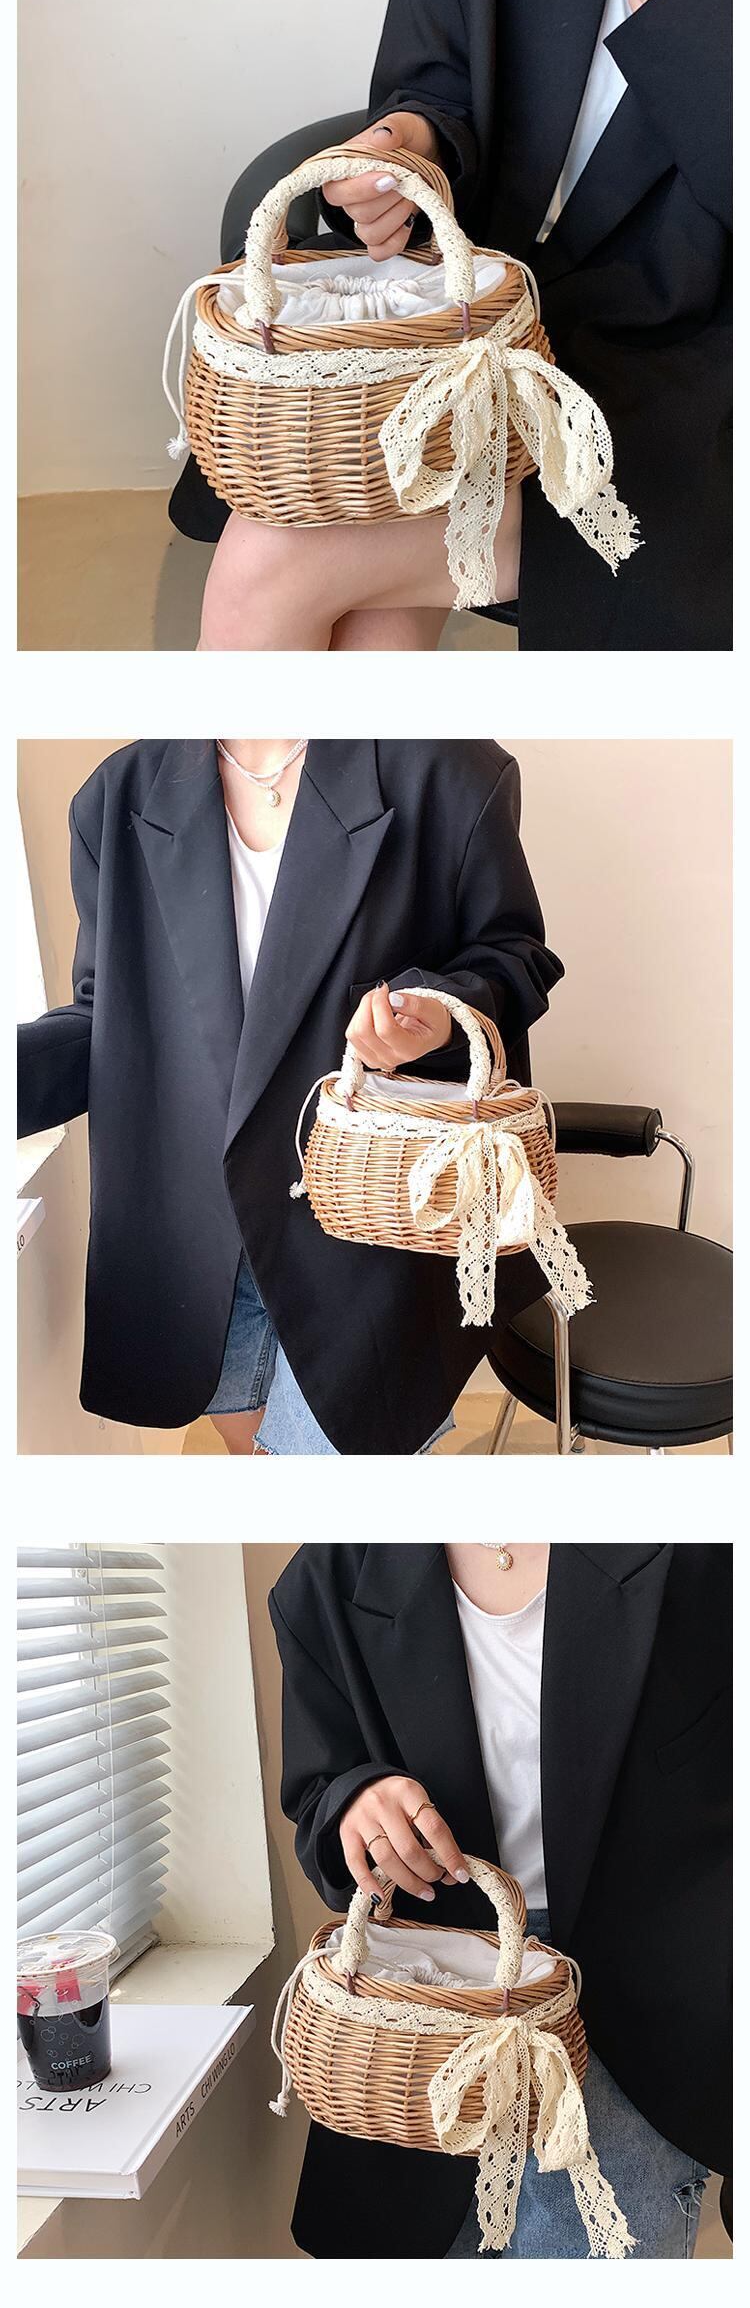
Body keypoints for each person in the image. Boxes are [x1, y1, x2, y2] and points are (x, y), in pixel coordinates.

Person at [191, 0, 731, 652]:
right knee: (369, 616)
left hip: (689, 364)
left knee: (267, 562)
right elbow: (436, 86)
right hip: (476, 309)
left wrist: (707, 37)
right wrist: (413, 144)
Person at [17, 738, 561, 1453]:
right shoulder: (119, 795)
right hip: (203, 1236)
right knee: (254, 1451)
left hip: (372, 1223)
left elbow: (515, 956)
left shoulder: (448, 771)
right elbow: (106, 1017)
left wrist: (435, 1014)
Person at [270, 1540, 731, 2259]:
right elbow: (317, 1795)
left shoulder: (704, 1551)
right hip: (425, 2018)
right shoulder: (331, 1573)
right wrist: (358, 1801)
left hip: (640, 2022)